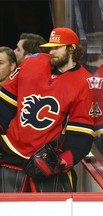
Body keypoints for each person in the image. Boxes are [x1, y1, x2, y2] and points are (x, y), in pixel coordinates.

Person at [0, 27, 96, 192]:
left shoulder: (85, 82)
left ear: (72, 48)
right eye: (50, 47)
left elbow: (81, 131)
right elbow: (5, 104)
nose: (52, 51)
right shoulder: (31, 63)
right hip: (11, 153)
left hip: (45, 160)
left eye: (57, 48)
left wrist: (61, 162)